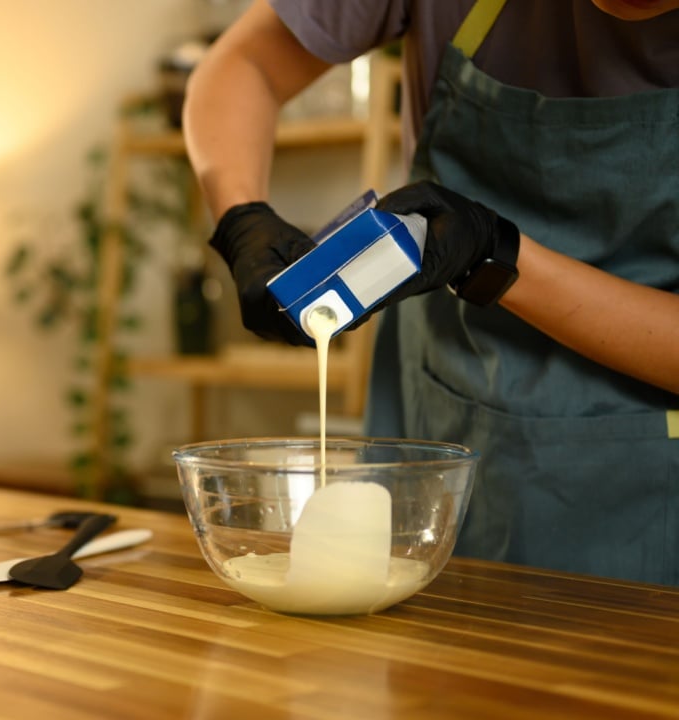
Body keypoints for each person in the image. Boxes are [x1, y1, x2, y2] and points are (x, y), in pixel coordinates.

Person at [183, 0, 679, 586]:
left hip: (647, 491)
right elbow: (248, 64)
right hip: (440, 431)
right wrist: (243, 217)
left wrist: (498, 258)